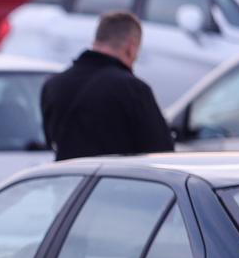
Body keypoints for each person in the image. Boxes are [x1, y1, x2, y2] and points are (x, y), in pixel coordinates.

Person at [39, 11, 174, 161]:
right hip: (120, 181)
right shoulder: (133, 89)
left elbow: (51, 141)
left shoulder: (53, 85)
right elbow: (162, 152)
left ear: (97, 40)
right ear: (131, 47)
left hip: (71, 181)